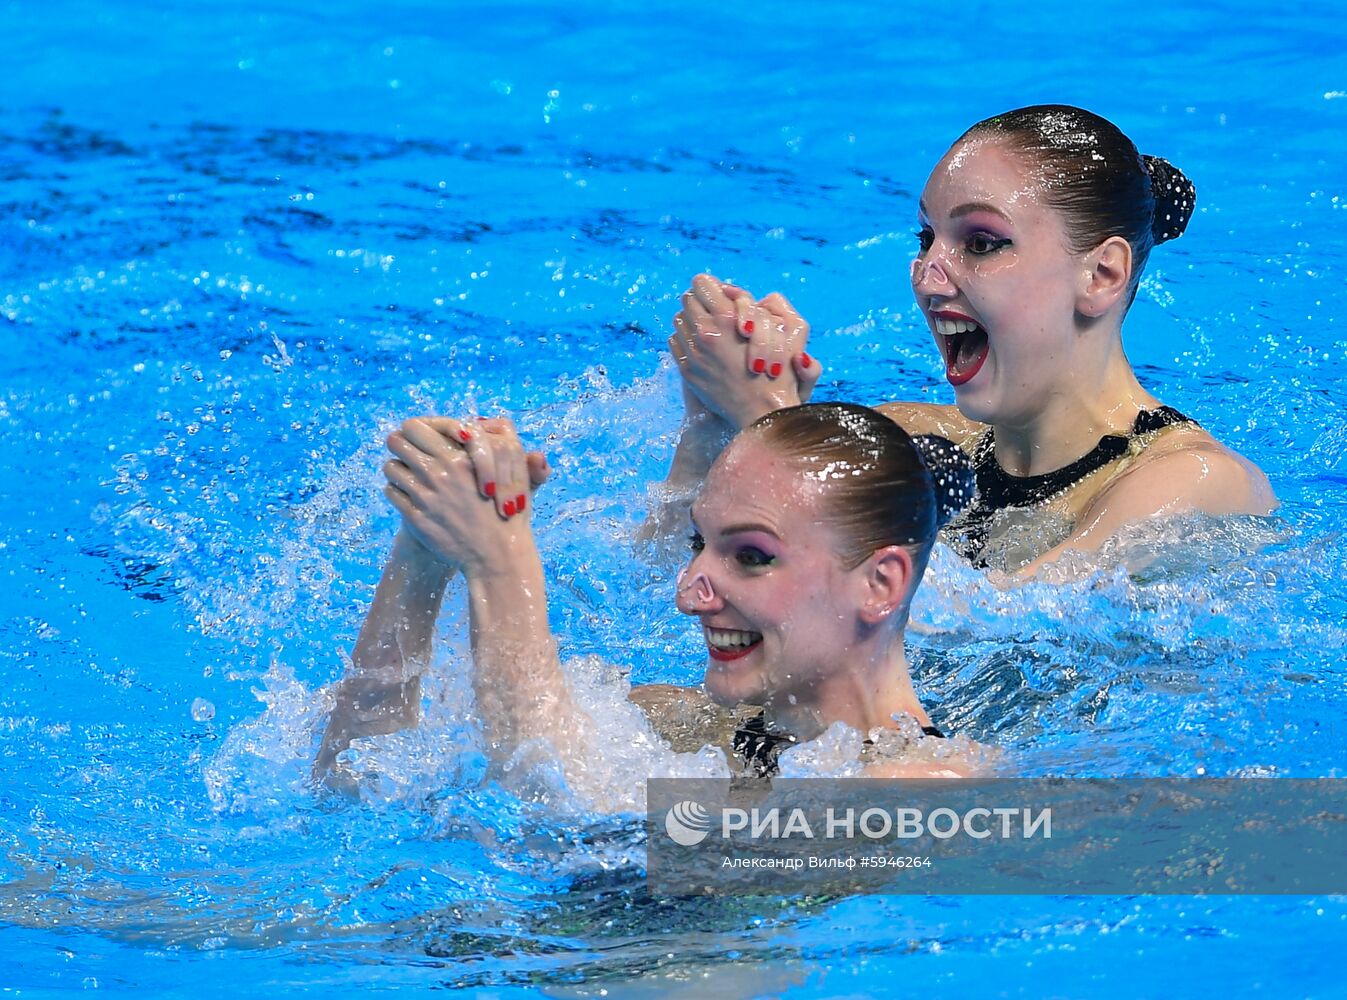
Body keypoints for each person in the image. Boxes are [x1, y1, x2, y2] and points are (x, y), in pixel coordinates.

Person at [664, 105, 1276, 575]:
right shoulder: (908, 439)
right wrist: (712, 429)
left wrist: (772, 425)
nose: (928, 277)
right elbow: (669, 589)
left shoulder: (1191, 484)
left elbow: (997, 626)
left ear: (1101, 275)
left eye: (981, 243)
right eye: (926, 237)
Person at [314, 403, 978, 798]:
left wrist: (498, 565)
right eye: (699, 543)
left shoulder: (922, 791)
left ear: (880, 583)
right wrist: (424, 554)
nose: (689, 593)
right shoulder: (676, 724)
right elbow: (357, 787)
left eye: (750, 555)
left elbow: (559, 810)